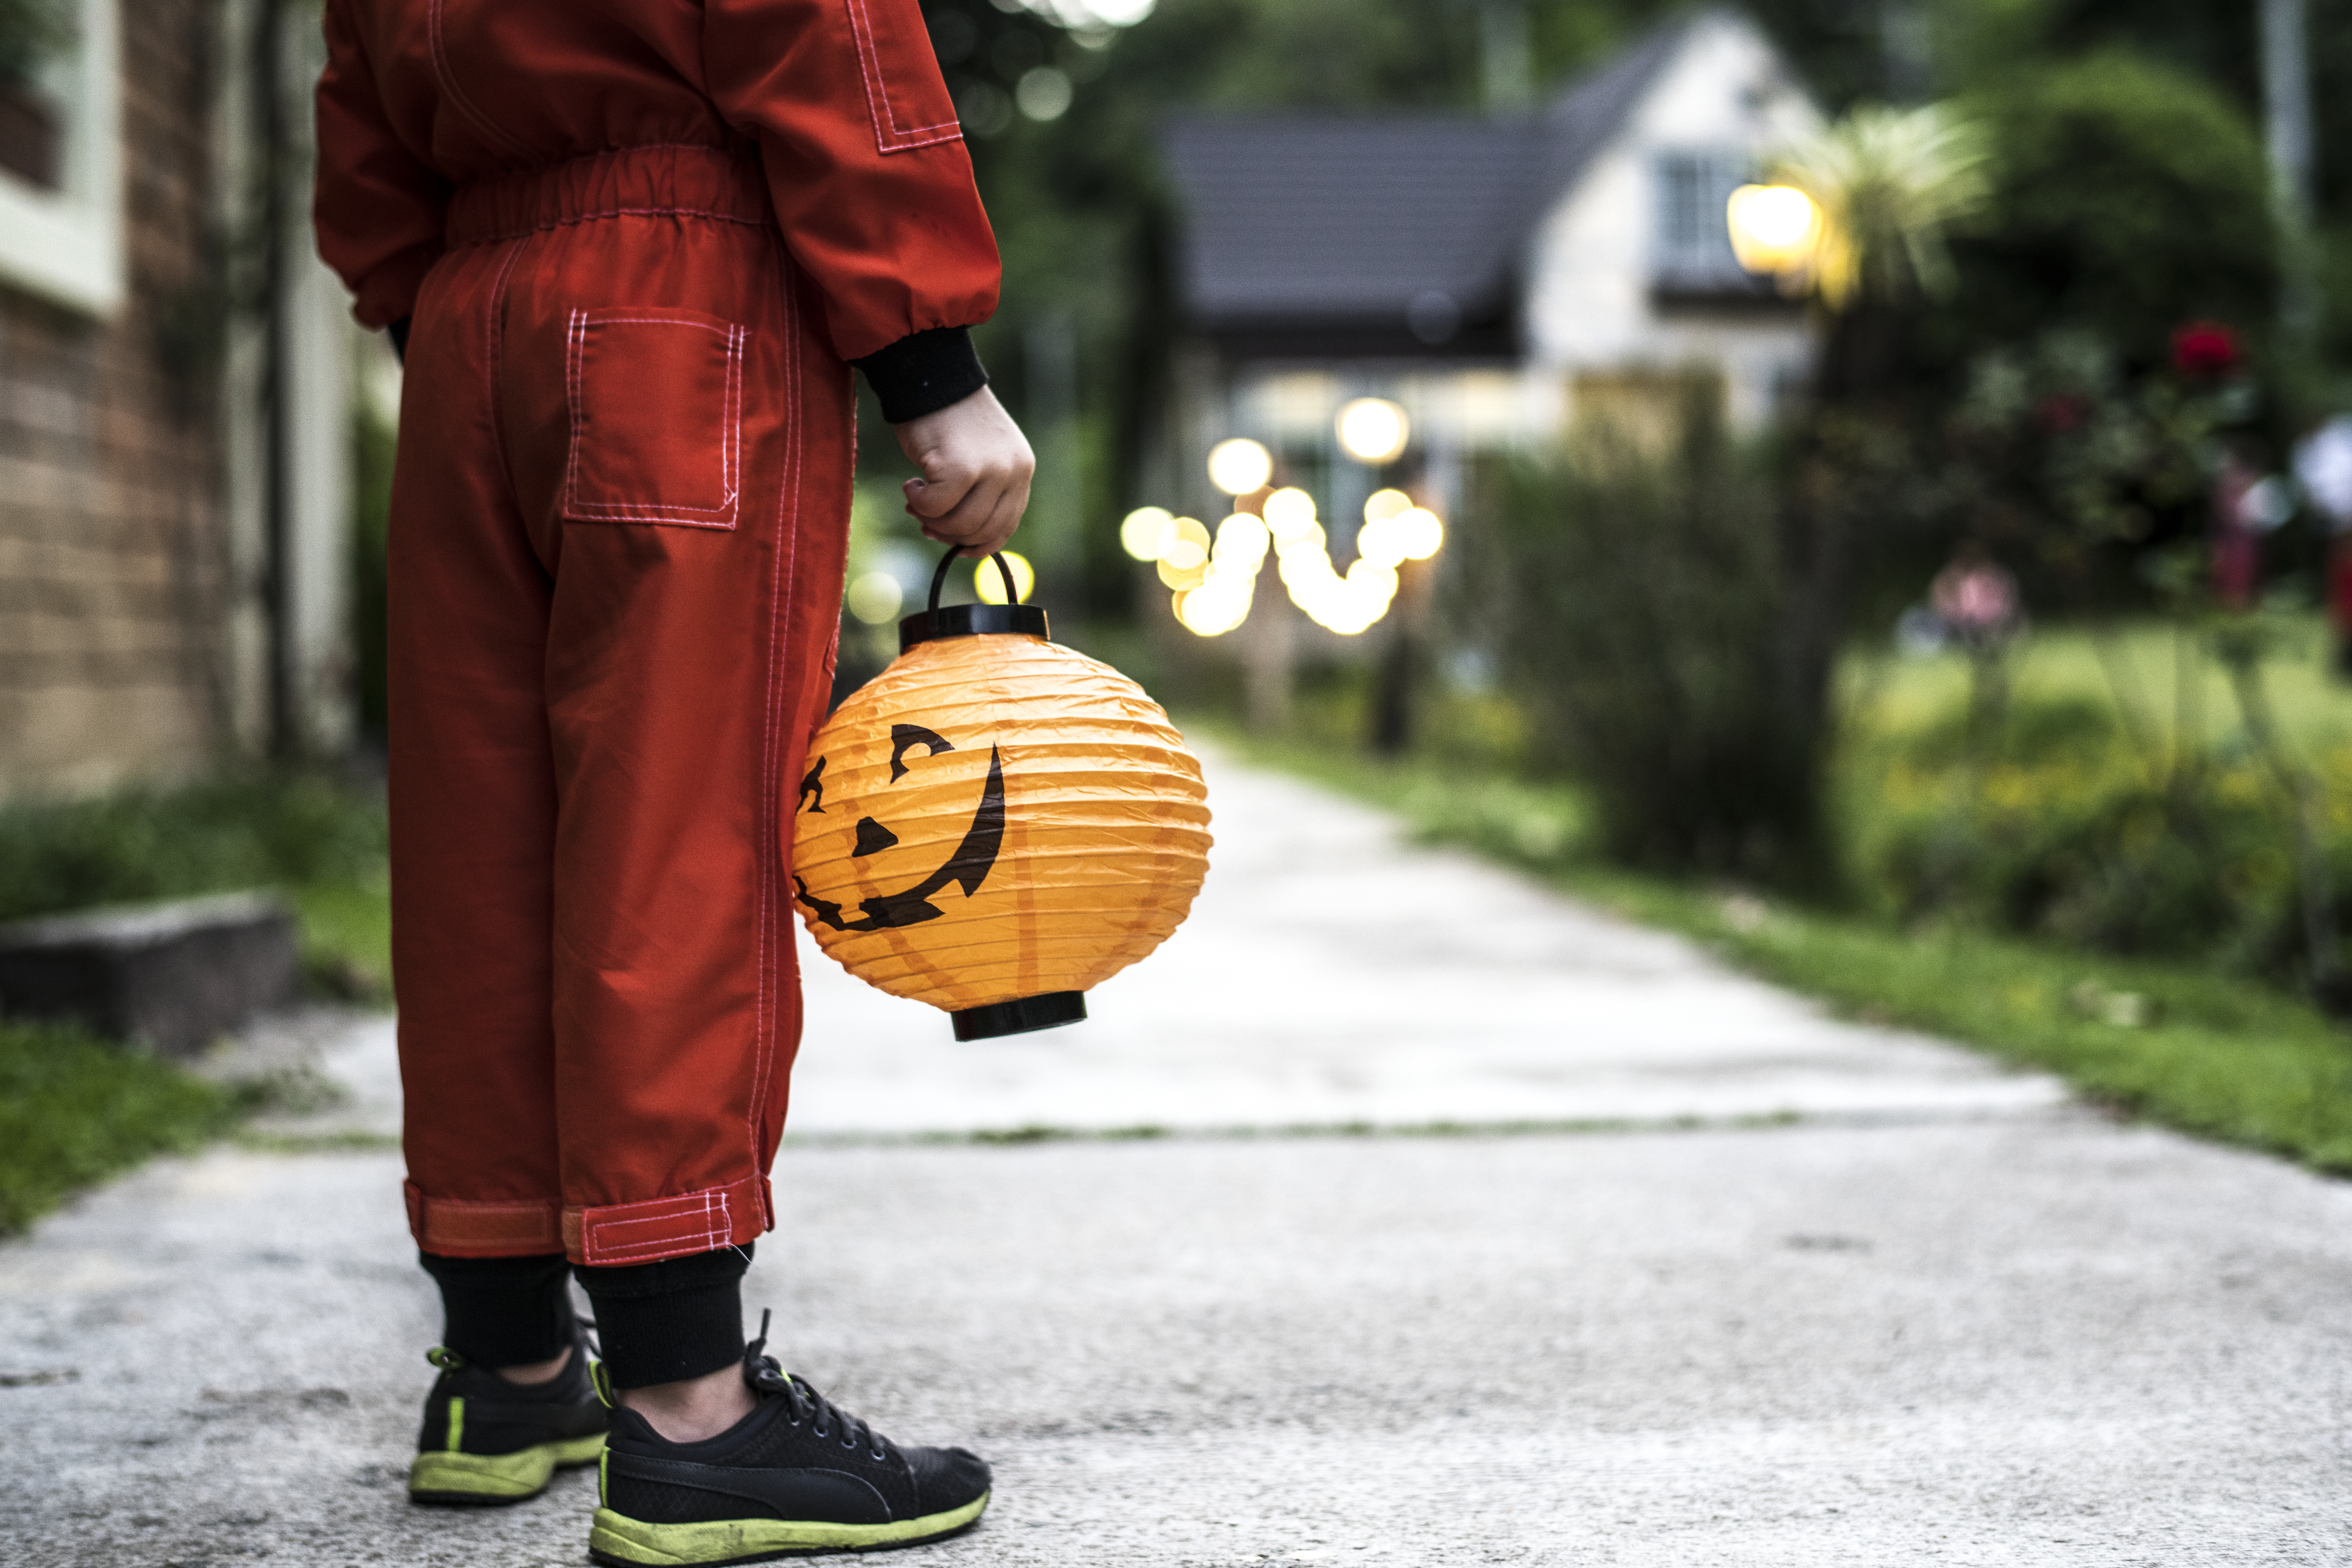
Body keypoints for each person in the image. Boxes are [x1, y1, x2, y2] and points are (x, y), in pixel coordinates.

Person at [311, 4, 1032, 1561]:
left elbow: (360, 118)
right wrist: (931, 366)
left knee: (479, 846)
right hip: (676, 294)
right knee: (674, 835)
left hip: (464, 321)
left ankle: (504, 1369)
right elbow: (823, 34)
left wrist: (441, 316)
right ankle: (692, 1408)